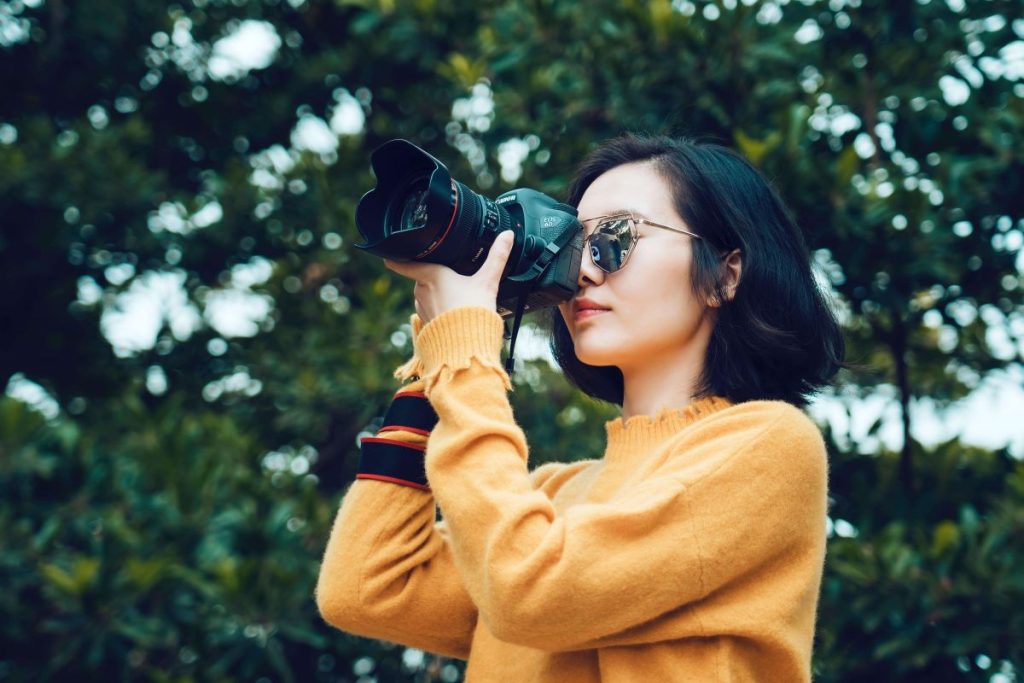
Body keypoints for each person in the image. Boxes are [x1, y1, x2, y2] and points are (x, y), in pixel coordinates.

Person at [316, 133, 846, 682]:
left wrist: (468, 363)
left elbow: (529, 592)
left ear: (726, 274)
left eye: (617, 238)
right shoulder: (550, 498)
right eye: (573, 244)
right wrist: (439, 363)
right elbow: (367, 588)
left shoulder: (769, 446)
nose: (583, 272)